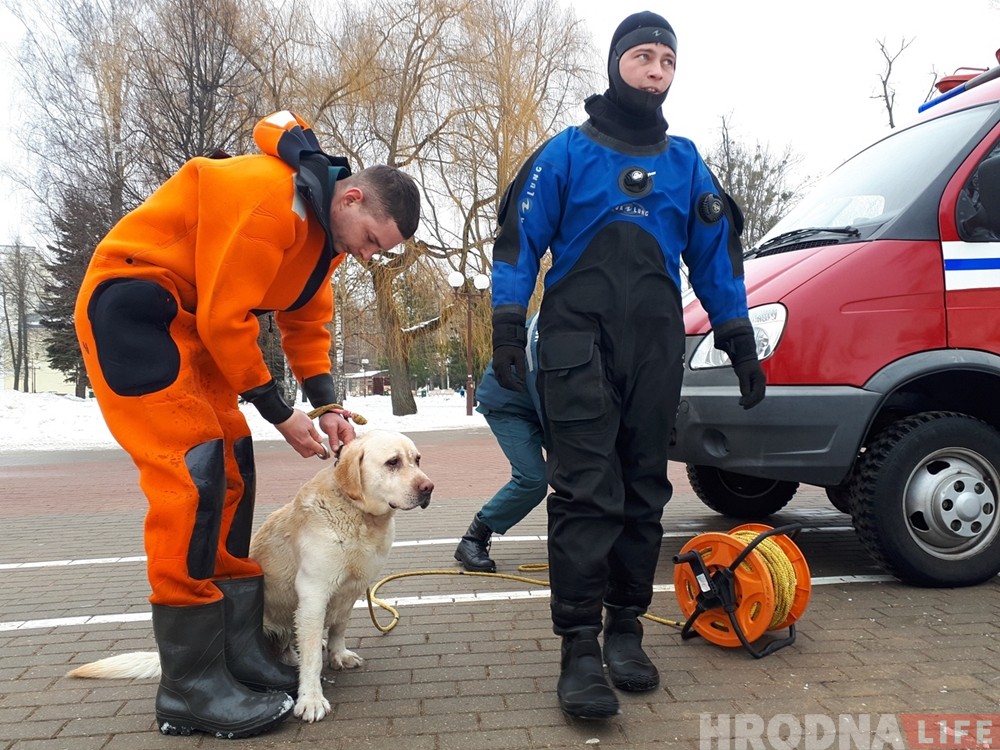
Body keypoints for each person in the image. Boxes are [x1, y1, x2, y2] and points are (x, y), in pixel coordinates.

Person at [73, 110, 420, 738]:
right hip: (138, 309)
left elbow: (305, 323)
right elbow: (226, 315)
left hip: (196, 329)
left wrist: (326, 405)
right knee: (192, 481)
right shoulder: (269, 199)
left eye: (379, 250)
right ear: (351, 198)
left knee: (232, 471)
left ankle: (237, 653)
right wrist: (280, 411)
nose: (368, 254)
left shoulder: (324, 242)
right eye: (371, 239)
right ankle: (189, 686)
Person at [489, 13, 765, 720]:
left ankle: (625, 629)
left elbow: (716, 256)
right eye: (643, 56)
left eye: (667, 61)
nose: (655, 70)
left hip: (655, 347)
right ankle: (579, 647)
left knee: (644, 490)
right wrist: (507, 325)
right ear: (616, 63)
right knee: (587, 493)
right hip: (577, 343)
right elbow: (518, 241)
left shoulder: (686, 164)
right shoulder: (567, 153)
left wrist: (737, 338)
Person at [455, 314, 543, 572]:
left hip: (536, 402)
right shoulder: (542, 331)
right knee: (532, 479)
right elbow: (542, 391)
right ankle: (473, 538)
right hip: (507, 405)